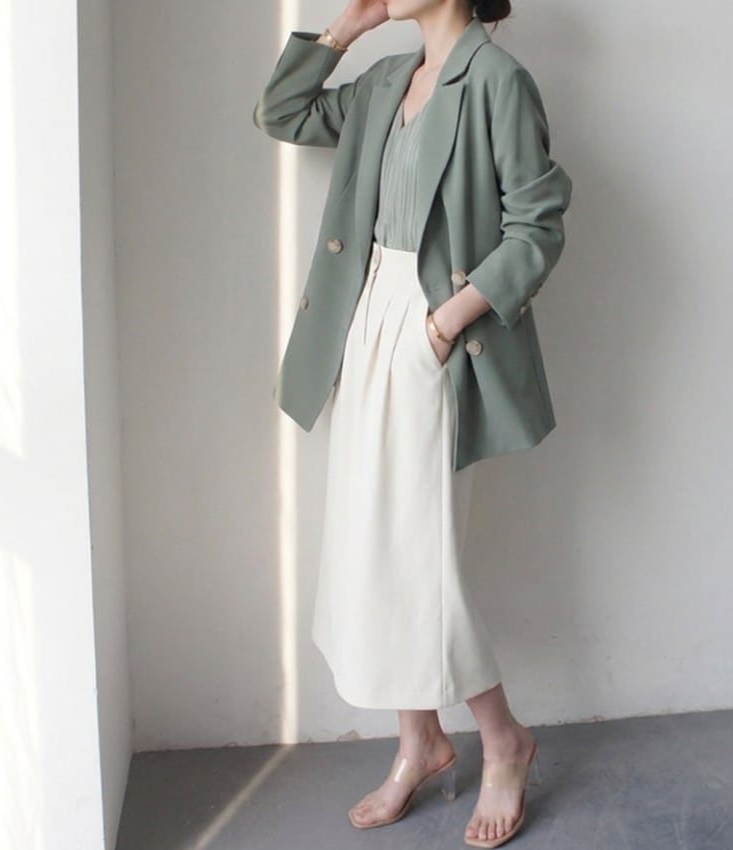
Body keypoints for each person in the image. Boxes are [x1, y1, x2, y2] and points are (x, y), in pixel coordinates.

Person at [253, 1, 572, 846]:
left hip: (434, 330)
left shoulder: (497, 81)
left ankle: (503, 740)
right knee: (373, 546)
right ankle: (420, 741)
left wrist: (442, 326)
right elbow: (279, 113)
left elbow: (537, 227)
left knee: (421, 557)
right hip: (364, 322)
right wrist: (346, 29)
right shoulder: (386, 79)